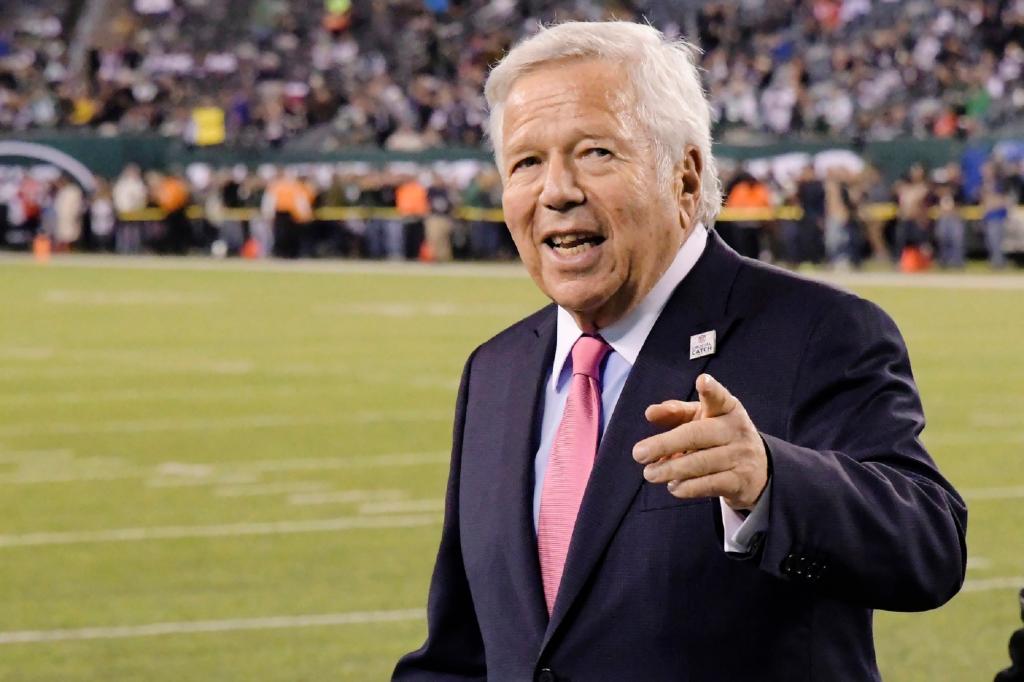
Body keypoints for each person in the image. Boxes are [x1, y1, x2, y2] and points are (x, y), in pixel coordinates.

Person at [393, 21, 967, 682]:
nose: (556, 190)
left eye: (595, 153)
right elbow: (466, 654)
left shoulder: (818, 330)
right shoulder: (496, 370)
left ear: (685, 179)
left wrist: (773, 483)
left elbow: (931, 544)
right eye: (526, 162)